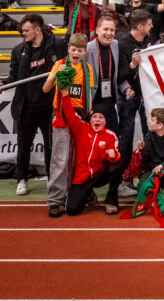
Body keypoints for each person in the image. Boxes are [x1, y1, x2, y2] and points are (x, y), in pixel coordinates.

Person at [3, 14, 67, 195]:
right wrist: (3, 84)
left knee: (50, 145)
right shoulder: (18, 50)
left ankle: (51, 177)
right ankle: (21, 179)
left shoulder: (57, 45)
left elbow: (69, 66)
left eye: (26, 30)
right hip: (26, 107)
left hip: (49, 107)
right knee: (23, 145)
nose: (23, 34)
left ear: (37, 29)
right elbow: (13, 75)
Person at [42, 33, 96, 217]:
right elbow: (46, 88)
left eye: (80, 50)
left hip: (80, 118)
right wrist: (56, 74)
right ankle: (55, 200)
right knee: (61, 159)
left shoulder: (87, 69)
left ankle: (73, 195)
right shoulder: (59, 64)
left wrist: (88, 115)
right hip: (62, 117)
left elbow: (89, 94)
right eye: (73, 49)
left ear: (84, 52)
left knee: (77, 159)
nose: (76, 53)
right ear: (68, 49)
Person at [60, 97, 121, 216]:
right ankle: (88, 194)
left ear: (105, 121)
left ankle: (111, 200)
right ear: (90, 119)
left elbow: (116, 156)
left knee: (117, 165)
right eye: (94, 117)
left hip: (100, 175)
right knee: (72, 210)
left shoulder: (110, 135)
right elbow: (69, 113)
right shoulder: (81, 128)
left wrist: (113, 156)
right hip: (82, 177)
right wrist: (65, 94)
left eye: (101, 117)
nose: (97, 120)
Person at [115, 9, 153, 196]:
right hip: (128, 98)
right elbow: (117, 76)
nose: (151, 26)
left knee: (150, 136)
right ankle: (123, 179)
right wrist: (132, 65)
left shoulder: (149, 40)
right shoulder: (122, 43)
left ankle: (147, 176)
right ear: (139, 26)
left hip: (148, 96)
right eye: (149, 24)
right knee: (126, 139)